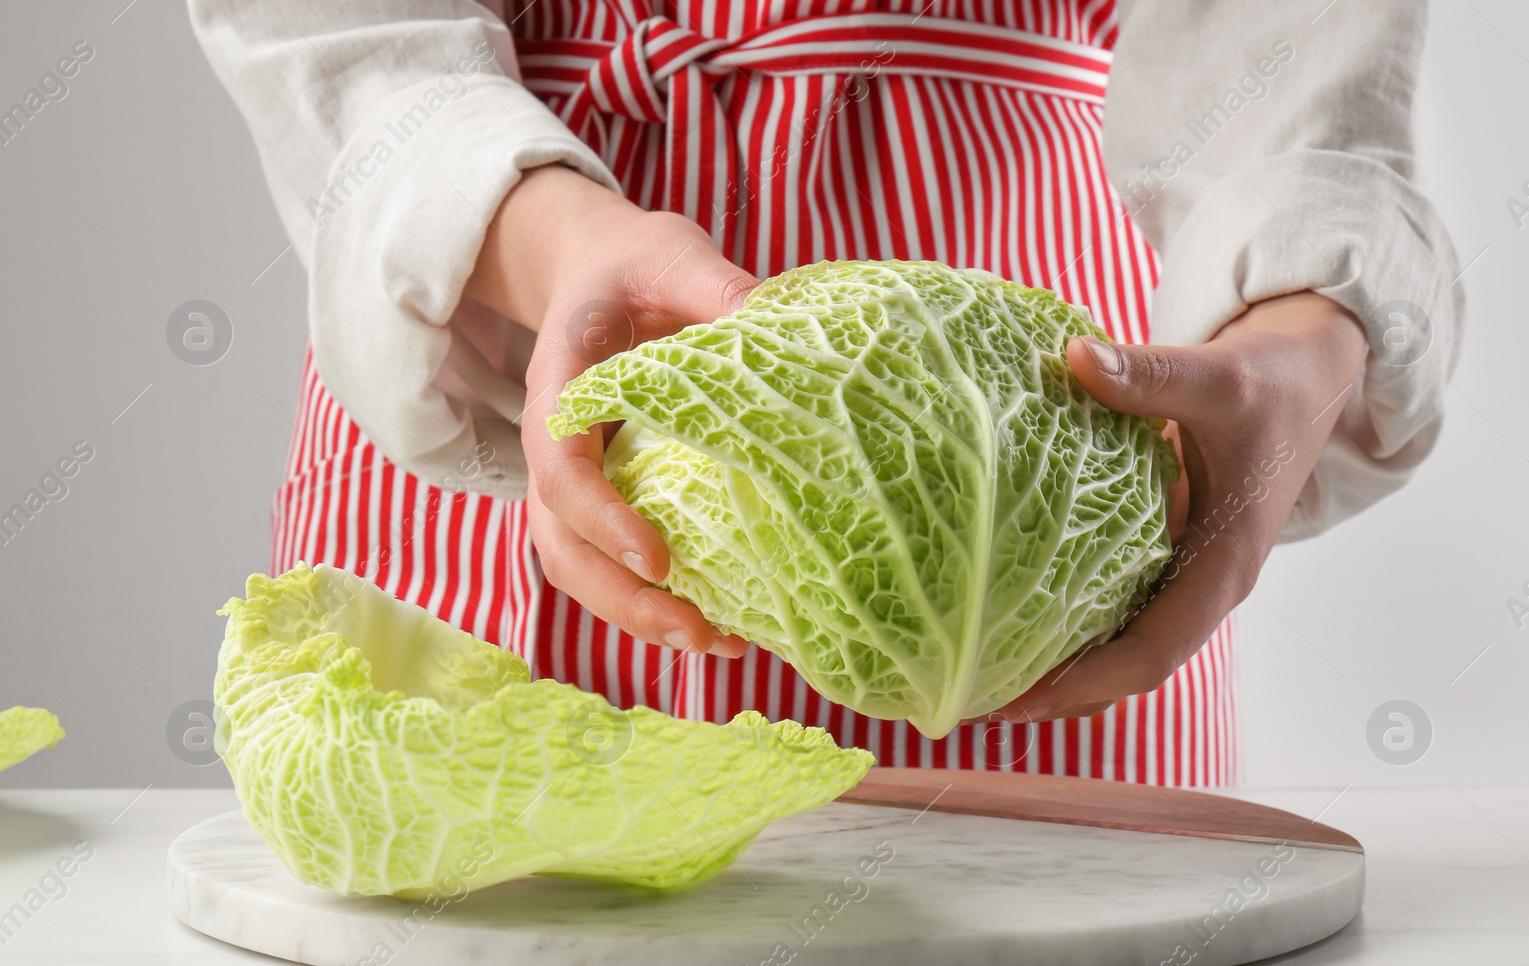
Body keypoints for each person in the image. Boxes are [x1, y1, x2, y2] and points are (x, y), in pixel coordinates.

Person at [190, 0, 1460, 786]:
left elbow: (1297, 71)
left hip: (1020, 421)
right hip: (507, 296)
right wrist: (545, 238)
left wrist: (1303, 325)